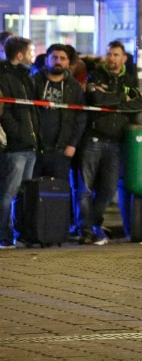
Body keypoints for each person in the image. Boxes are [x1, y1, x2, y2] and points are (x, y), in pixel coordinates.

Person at [78, 41, 142, 245]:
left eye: (116, 54)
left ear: (124, 58)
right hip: (94, 140)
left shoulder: (131, 78)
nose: (112, 58)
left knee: (108, 190)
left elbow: (139, 103)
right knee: (85, 189)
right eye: (109, 54)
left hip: (116, 143)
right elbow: (96, 99)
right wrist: (121, 98)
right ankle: (87, 230)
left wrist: (111, 97)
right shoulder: (96, 75)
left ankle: (91, 226)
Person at [0, 36, 40, 249]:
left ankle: (21, 233)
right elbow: (5, 112)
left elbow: (31, 109)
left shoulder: (26, 77)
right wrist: (17, 134)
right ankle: (5, 237)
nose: (33, 57)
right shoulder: (5, 77)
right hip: (16, 146)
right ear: (20, 55)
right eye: (30, 52)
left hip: (29, 144)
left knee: (23, 194)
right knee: (8, 193)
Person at [33, 44, 86, 182]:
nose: (58, 61)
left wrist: (72, 144)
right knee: (29, 190)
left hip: (61, 148)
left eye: (63, 58)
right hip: (35, 146)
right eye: (54, 57)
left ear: (68, 63)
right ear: (46, 60)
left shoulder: (74, 87)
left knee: (58, 192)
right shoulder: (33, 81)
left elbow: (80, 117)